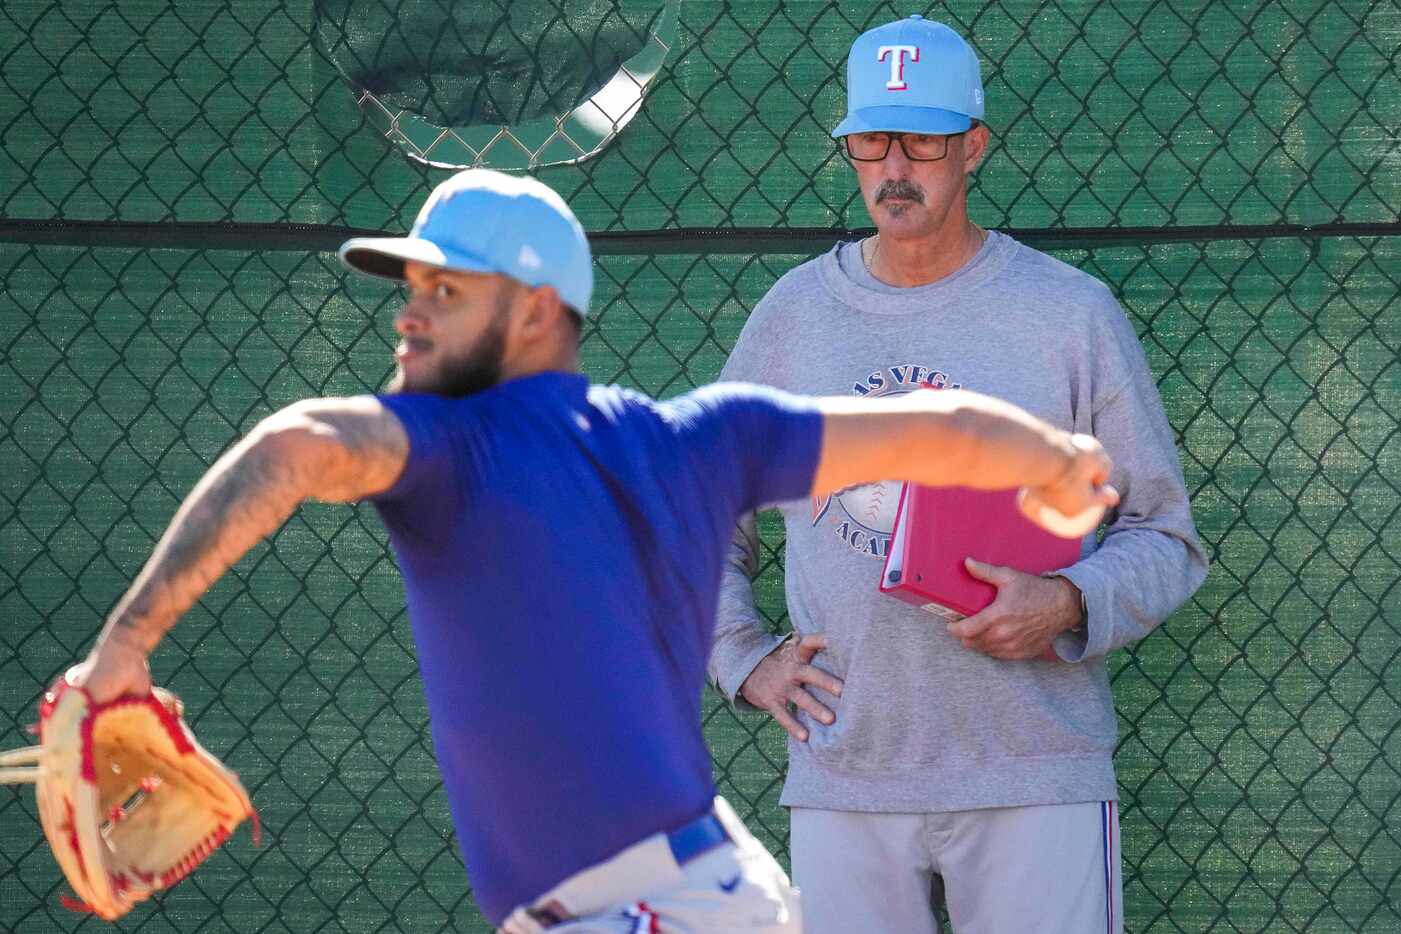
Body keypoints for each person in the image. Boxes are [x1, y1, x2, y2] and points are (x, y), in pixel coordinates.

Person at [72, 169, 1118, 933]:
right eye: (412, 287)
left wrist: (124, 648)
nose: (410, 314)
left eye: (446, 290)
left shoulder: (452, 446)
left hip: (645, 908)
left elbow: (296, 444)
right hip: (690, 894)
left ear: (534, 311)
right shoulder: (697, 438)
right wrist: (1058, 459)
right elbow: (938, 430)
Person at [708, 15, 1210, 934]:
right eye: (871, 140)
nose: (895, 167)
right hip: (846, 768)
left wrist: (1063, 600)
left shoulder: (1068, 314)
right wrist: (741, 658)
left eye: (925, 140)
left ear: (972, 147)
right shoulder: (793, 319)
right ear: (849, 146)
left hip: (1031, 765)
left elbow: (1164, 537)